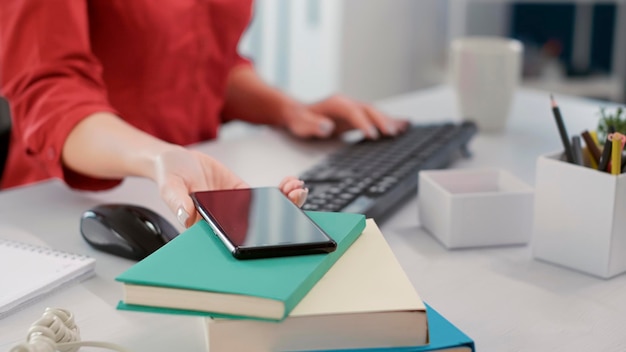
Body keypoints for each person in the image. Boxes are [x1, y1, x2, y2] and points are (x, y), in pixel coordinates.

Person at [0, 0, 407, 227]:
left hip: (195, 185)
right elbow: (49, 93)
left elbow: (204, 64)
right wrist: (160, 159)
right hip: (62, 210)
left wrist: (289, 110)